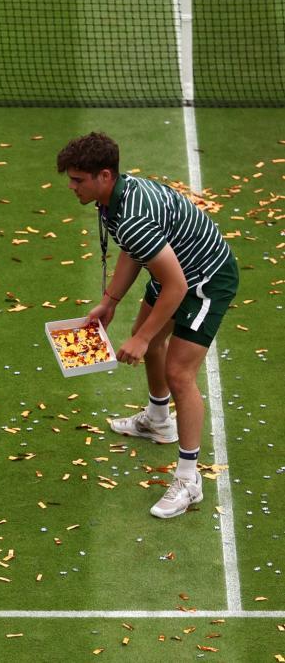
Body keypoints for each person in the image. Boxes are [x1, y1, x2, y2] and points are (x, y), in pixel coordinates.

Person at [57, 132, 239, 519]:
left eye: (77, 180)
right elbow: (133, 251)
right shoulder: (116, 199)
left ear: (104, 175)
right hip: (177, 271)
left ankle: (189, 480)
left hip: (206, 280)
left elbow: (178, 286)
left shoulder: (134, 214)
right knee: (156, 344)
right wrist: (110, 302)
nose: (71, 187)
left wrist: (139, 337)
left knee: (179, 373)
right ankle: (158, 421)